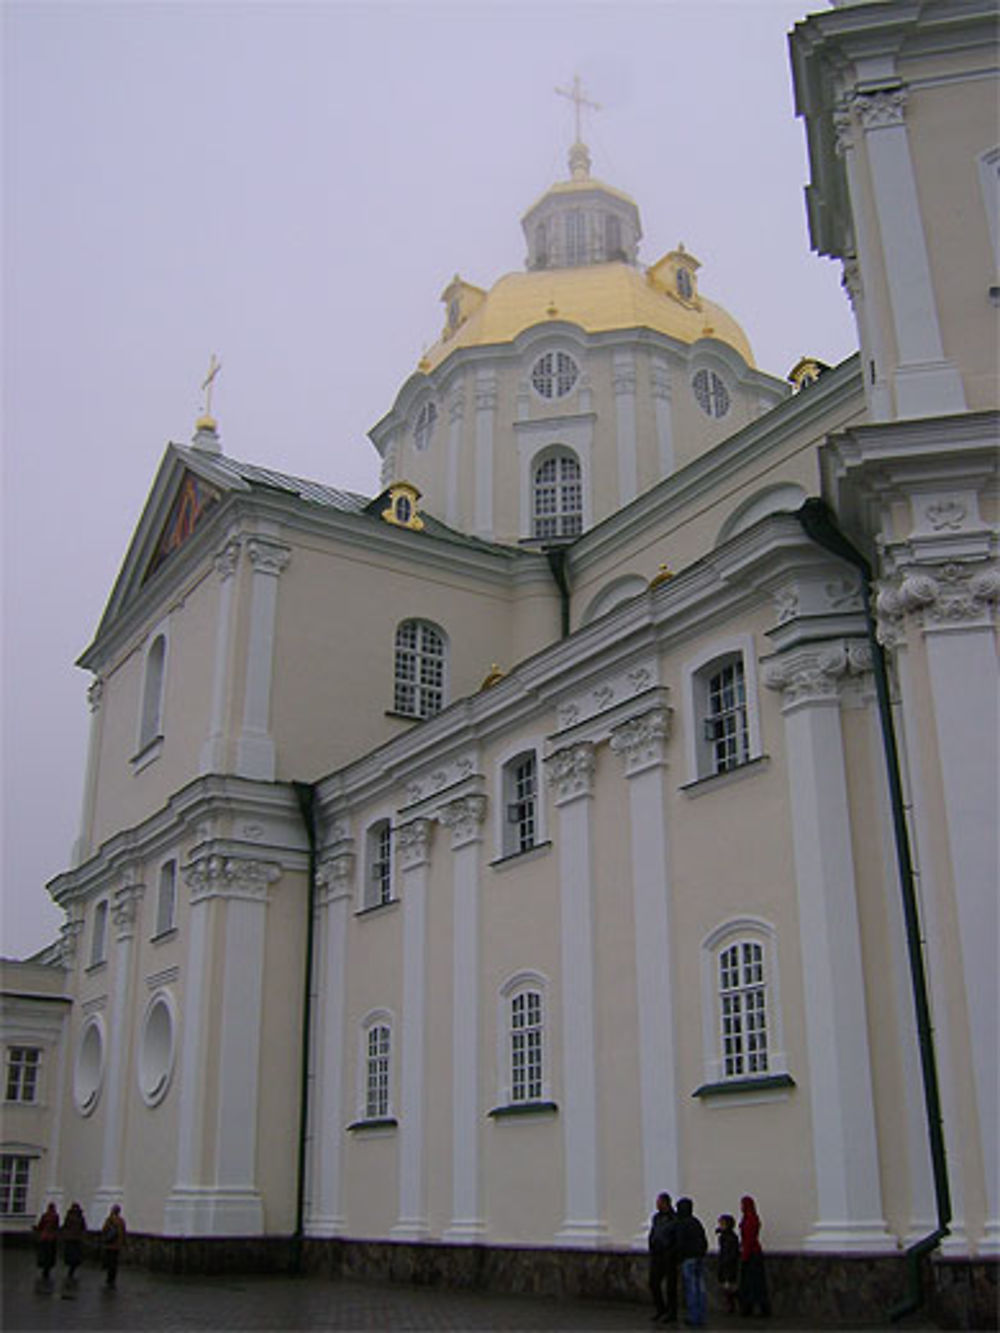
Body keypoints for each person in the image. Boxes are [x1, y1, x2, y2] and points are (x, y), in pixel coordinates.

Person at [674, 1197, 708, 1328]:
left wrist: (679, 1257)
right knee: (701, 1288)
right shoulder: (696, 1222)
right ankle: (701, 1316)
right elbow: (703, 1240)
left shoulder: (682, 1223)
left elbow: (680, 1242)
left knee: (691, 1289)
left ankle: (693, 1316)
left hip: (688, 1259)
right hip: (699, 1257)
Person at [738, 1194, 771, 1317]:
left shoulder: (750, 1219)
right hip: (753, 1253)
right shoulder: (751, 1218)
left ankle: (750, 1307)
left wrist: (745, 1255)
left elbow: (749, 1239)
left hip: (751, 1254)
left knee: (751, 1283)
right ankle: (757, 1306)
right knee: (756, 1283)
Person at [648, 1192, 678, 1322]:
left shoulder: (674, 1218)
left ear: (665, 1203)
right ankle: (661, 1309)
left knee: (671, 1286)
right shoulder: (656, 1218)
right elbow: (654, 1232)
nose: (657, 1205)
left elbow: (675, 1236)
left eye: (659, 1202)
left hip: (669, 1255)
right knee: (653, 1283)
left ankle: (671, 1312)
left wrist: (672, 1250)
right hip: (657, 1254)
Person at [716, 1213, 740, 1314]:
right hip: (726, 1263)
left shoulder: (728, 1237)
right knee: (728, 1286)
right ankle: (731, 1305)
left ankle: (731, 1305)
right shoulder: (727, 1237)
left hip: (728, 1264)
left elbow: (730, 1252)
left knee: (729, 1286)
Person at [99, 1203, 126, 1289]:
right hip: (117, 1246)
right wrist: (122, 1243)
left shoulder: (109, 1220)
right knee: (114, 1262)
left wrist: (104, 1239)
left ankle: (109, 1277)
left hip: (109, 1244)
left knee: (109, 1260)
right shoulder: (121, 1221)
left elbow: (104, 1230)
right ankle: (112, 1278)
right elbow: (123, 1233)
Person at [34, 1202, 60, 1288]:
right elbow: (56, 1227)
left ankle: (44, 1269)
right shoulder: (55, 1216)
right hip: (51, 1238)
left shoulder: (45, 1216)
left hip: (44, 1237)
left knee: (44, 1254)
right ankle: (47, 1269)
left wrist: (37, 1230)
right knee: (49, 1254)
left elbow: (40, 1226)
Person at [61, 1201, 87, 1285]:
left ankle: (71, 1270)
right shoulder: (80, 1217)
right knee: (75, 1256)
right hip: (76, 1239)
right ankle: (72, 1269)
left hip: (71, 1239)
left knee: (71, 1255)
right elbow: (83, 1227)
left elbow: (65, 1226)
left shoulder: (69, 1216)